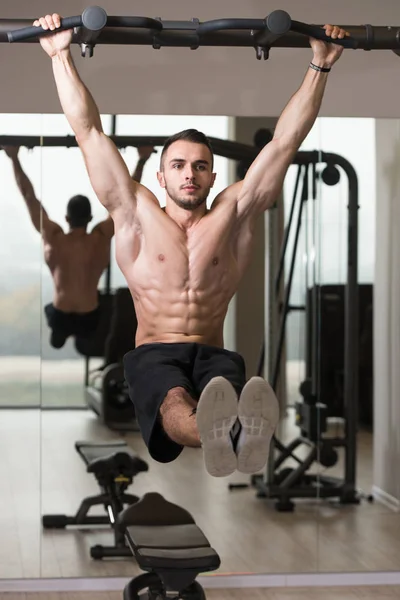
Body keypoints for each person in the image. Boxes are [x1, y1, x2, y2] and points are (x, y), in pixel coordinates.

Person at [34, 13, 347, 477]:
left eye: (200, 166)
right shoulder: (135, 214)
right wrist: (60, 54)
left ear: (213, 176)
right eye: (178, 165)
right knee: (175, 399)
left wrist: (320, 65)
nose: (189, 173)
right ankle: (222, 434)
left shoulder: (233, 213)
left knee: (222, 390)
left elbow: (284, 142)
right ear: (160, 177)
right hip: (154, 352)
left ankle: (230, 432)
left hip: (214, 352)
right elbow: (91, 133)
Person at [2, 144, 154, 349]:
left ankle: (60, 336)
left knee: (56, 342)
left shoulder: (54, 238)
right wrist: (142, 159)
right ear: (90, 218)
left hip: (59, 314)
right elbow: (126, 200)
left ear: (66, 217)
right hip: (89, 315)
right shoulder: (100, 237)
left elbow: (29, 197)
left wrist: (14, 158)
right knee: (90, 335)